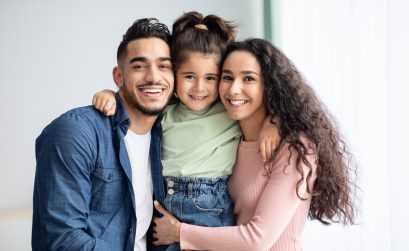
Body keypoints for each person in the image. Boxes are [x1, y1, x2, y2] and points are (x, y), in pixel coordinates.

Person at [92, 12, 279, 251]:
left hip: (210, 207)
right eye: (189, 76)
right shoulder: (164, 110)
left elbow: (267, 106)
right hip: (162, 205)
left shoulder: (227, 111)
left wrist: (273, 123)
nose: (199, 88)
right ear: (174, 75)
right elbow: (134, 99)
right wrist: (110, 95)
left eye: (210, 78)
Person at [151, 38, 358, 251]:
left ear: (270, 85)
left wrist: (178, 231)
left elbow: (256, 240)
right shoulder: (229, 137)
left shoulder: (294, 149)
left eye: (248, 78)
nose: (234, 89)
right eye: (227, 77)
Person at [32, 18, 174, 251]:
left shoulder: (169, 134)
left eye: (164, 66)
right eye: (139, 66)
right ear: (118, 77)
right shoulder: (75, 133)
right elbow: (64, 241)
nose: (153, 77)